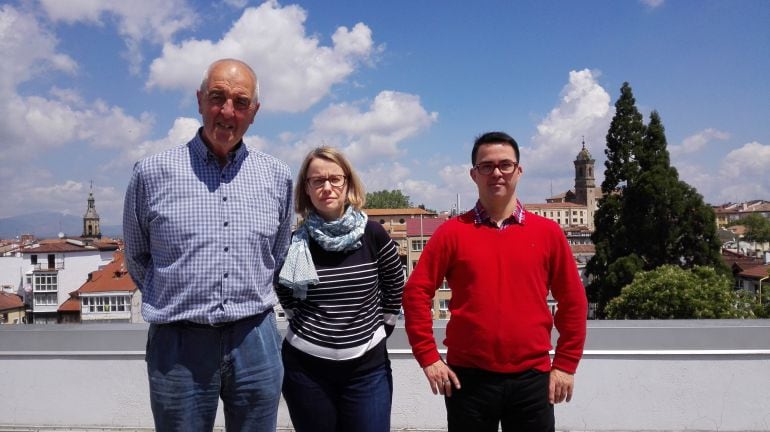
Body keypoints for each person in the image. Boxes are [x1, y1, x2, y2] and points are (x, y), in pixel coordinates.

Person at [122, 58, 293, 432]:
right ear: (200, 101)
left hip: (256, 341)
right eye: (217, 97)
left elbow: (276, 256)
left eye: (240, 102)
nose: (227, 111)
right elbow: (136, 256)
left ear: (254, 112)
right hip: (178, 345)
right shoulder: (152, 172)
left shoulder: (277, 176)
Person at [402, 131, 588, 432]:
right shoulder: (451, 233)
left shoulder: (548, 233)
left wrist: (566, 364)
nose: (496, 173)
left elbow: (573, 301)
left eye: (505, 164)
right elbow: (415, 293)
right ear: (474, 174)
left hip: (533, 378)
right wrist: (428, 357)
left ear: (519, 170)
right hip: (468, 379)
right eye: (486, 166)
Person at [276, 146, 405, 432]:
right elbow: (284, 290)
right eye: (317, 180)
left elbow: (395, 283)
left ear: (348, 183)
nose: (327, 187)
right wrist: (313, 329)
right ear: (306, 189)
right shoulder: (297, 241)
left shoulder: (373, 233)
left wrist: (381, 328)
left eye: (335, 179)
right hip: (306, 370)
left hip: (367, 370)